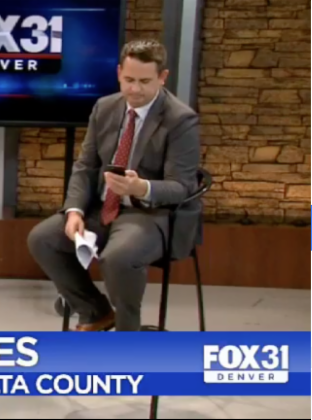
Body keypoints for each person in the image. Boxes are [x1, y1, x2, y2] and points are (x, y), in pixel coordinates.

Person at [27, 39, 201, 332]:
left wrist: (141, 188)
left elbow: (182, 187)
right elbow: (85, 166)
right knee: (42, 239)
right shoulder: (105, 107)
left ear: (162, 77)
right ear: (119, 73)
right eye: (129, 80)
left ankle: (126, 332)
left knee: (118, 257)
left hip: (151, 214)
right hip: (102, 208)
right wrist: (74, 211)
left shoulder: (180, 120)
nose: (135, 89)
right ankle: (95, 312)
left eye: (144, 81)